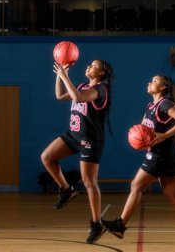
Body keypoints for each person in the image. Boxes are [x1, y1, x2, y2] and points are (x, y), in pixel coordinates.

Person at [101, 75, 175, 244]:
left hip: (162, 154)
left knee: (136, 185)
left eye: (154, 81)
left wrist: (164, 135)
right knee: (173, 195)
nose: (150, 82)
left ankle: (120, 225)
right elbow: (146, 130)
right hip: (165, 153)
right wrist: (140, 139)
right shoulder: (151, 106)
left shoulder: (165, 104)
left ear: (162, 87)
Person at [40, 59, 114, 244]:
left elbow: (79, 98)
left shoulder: (102, 88)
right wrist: (59, 76)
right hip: (73, 135)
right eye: (89, 64)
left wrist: (65, 76)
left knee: (89, 182)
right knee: (47, 157)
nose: (89, 66)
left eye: (94, 65)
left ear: (102, 72)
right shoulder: (81, 85)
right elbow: (59, 95)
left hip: (90, 139)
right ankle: (66, 189)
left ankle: (96, 224)